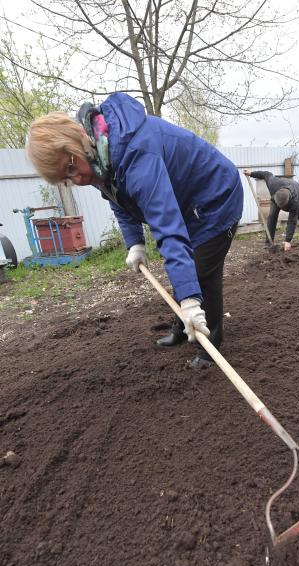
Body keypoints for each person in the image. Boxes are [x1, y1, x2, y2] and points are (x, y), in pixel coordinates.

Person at [26, 92, 243, 370]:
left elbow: (167, 228)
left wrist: (189, 299)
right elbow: (118, 198)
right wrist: (135, 243)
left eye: (70, 167)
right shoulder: (96, 156)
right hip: (186, 201)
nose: (77, 178)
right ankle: (183, 326)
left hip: (216, 197)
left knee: (201, 273)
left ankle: (209, 347)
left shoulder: (136, 152)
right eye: (66, 178)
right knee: (185, 270)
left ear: (75, 139)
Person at [243, 169, 299, 250]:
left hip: (296, 189)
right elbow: (266, 173)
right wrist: (251, 173)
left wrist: (288, 240)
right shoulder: (273, 183)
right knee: (272, 215)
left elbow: (292, 220)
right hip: (278, 195)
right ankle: (268, 242)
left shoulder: (295, 201)